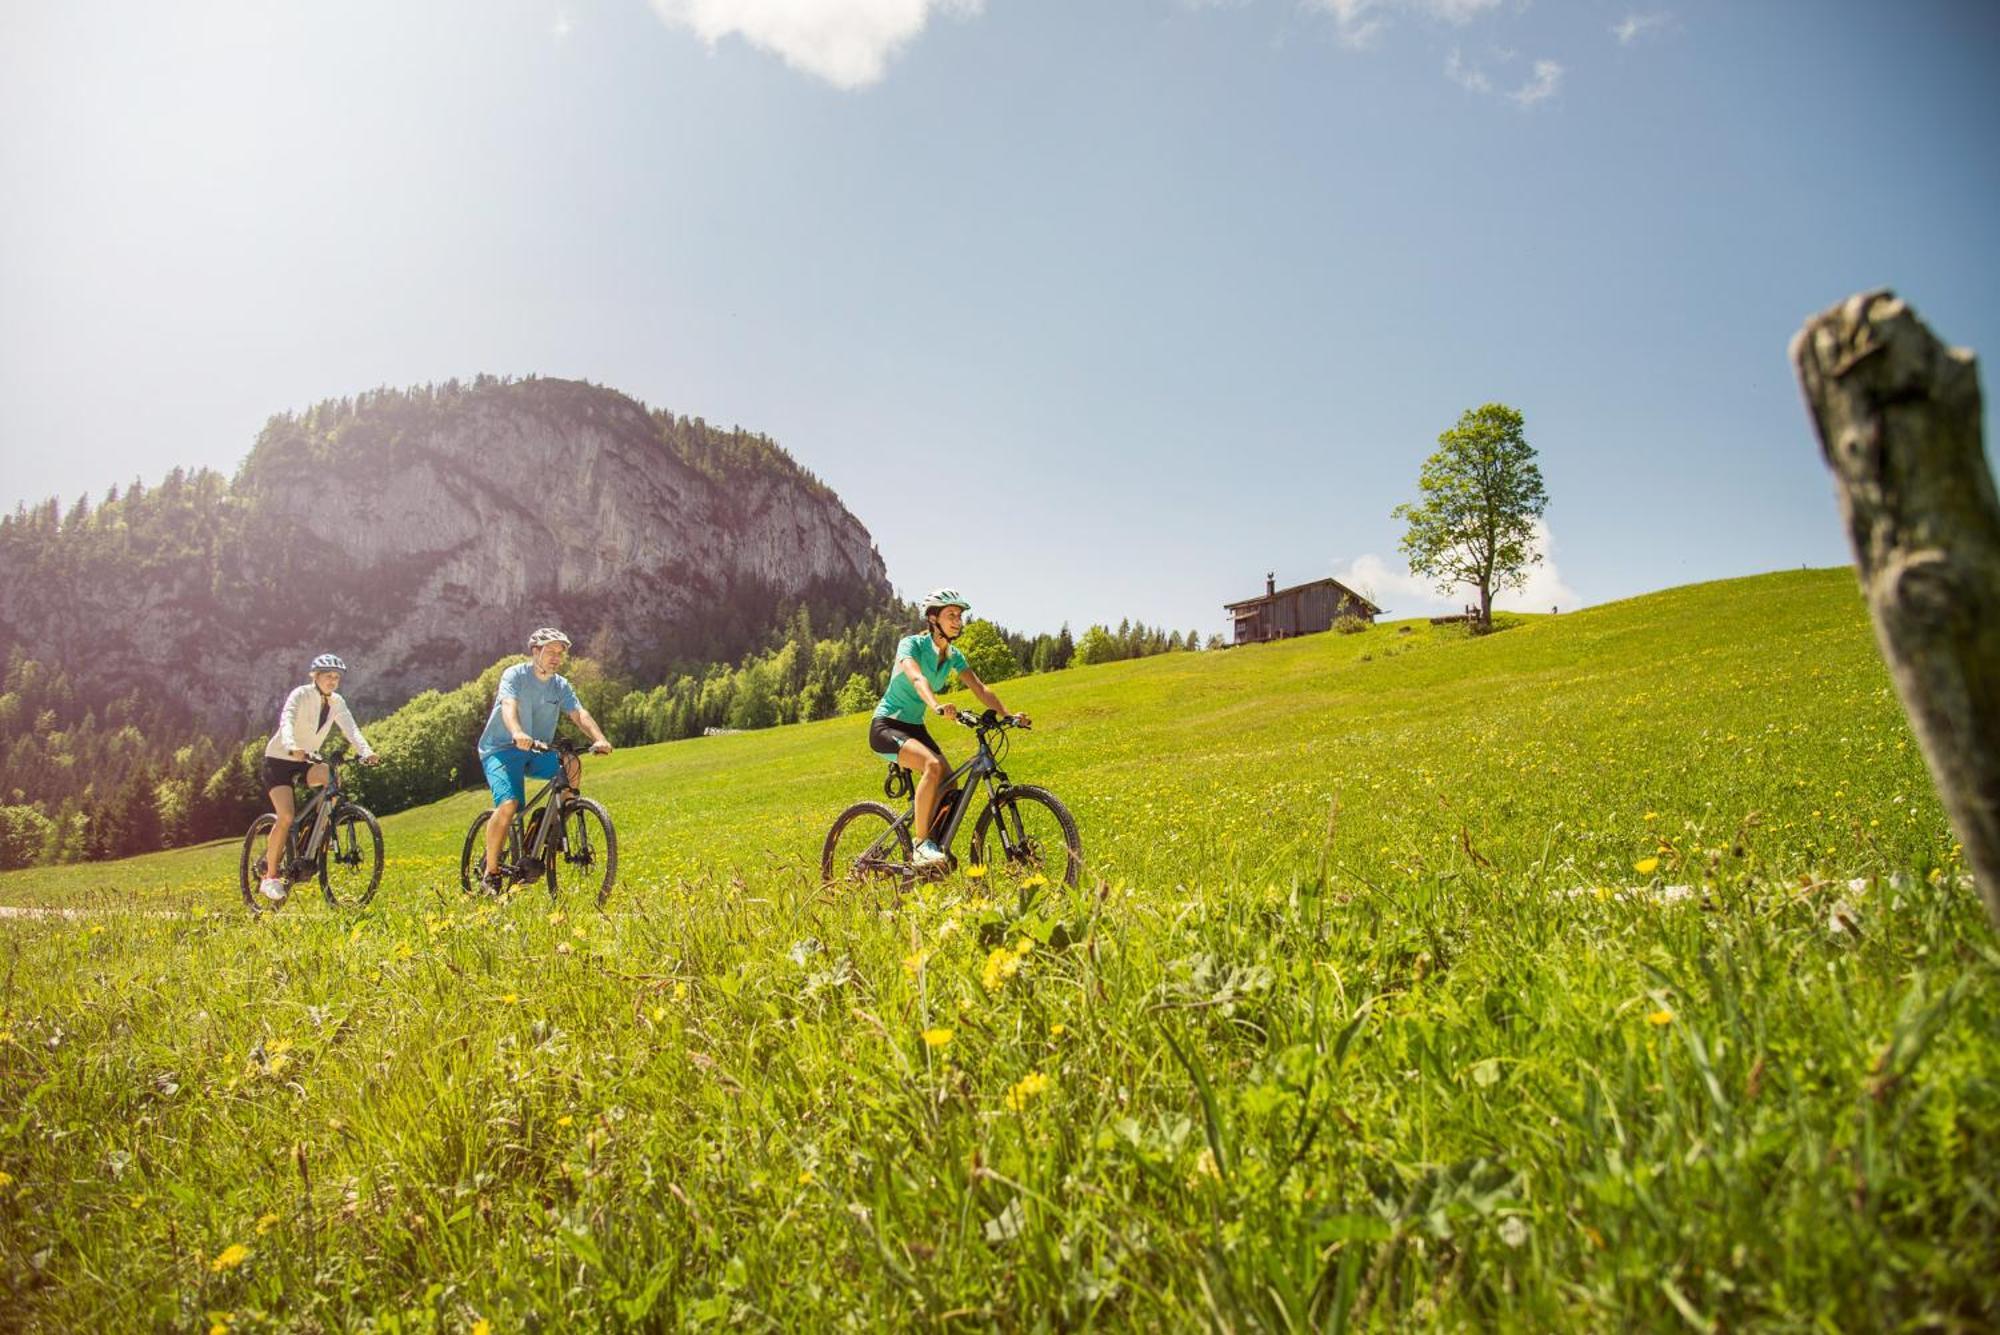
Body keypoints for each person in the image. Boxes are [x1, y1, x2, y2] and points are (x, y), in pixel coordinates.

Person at [871, 588, 1028, 868]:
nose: (958, 621)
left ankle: (934, 846)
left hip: (914, 728)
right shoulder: (911, 645)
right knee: (932, 766)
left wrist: (1007, 715)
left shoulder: (953, 655)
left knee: (950, 780)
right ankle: (920, 847)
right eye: (951, 615)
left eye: (959, 616)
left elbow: (979, 687)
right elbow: (917, 678)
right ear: (933, 619)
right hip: (886, 725)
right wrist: (936, 705)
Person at [476, 627, 613, 892]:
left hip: (537, 749)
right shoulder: (514, 675)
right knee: (509, 805)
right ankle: (490, 874)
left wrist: (600, 738)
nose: (555, 657)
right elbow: (509, 706)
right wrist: (516, 732)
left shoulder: (559, 685)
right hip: (501, 749)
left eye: (559, 653)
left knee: (571, 763)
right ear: (535, 651)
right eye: (550, 651)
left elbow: (579, 713)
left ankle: (556, 821)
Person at [257, 654, 382, 904]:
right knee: (286, 816)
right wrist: (292, 746)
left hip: (307, 761)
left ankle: (315, 834)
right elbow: (287, 719)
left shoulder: (337, 702)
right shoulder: (300, 694)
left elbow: (351, 729)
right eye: (328, 676)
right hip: (280, 759)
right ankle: (269, 877)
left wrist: (366, 752)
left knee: (333, 779)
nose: (333, 681)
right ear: (315, 676)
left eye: (336, 677)